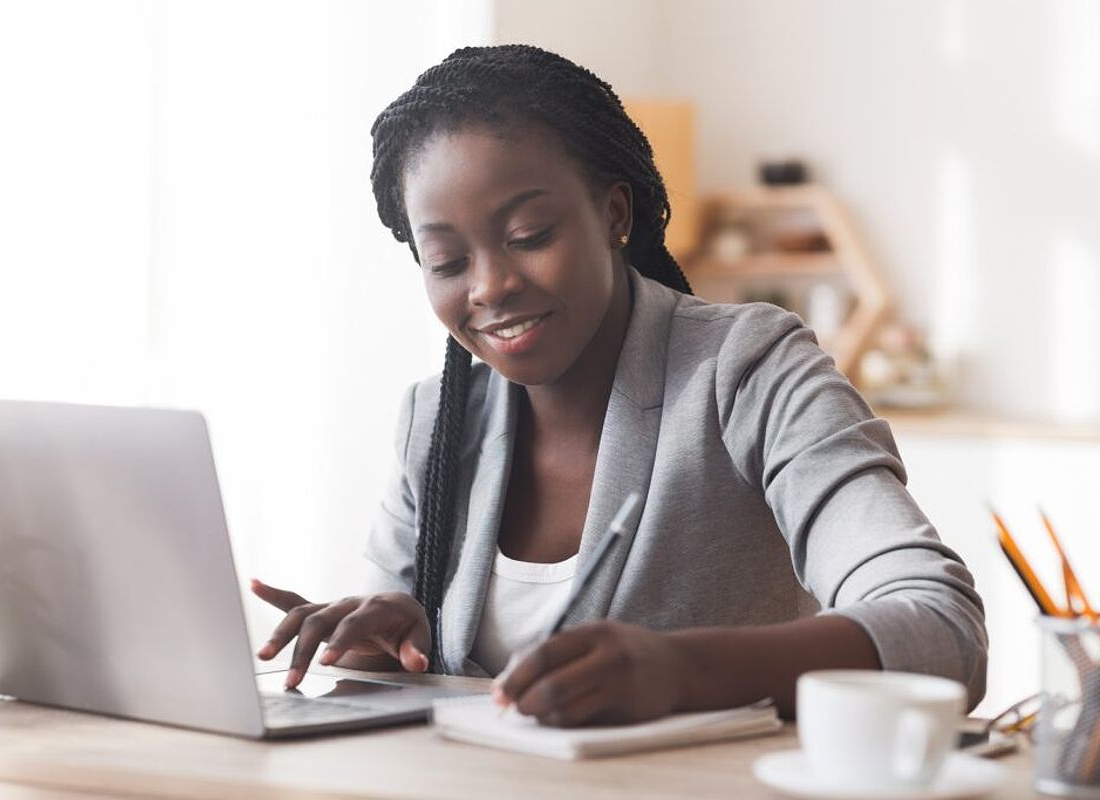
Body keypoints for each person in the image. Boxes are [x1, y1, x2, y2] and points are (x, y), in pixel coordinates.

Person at [252, 44, 987, 726]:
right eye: (446, 262)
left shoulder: (748, 369)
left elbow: (942, 629)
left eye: (530, 235)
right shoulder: (438, 420)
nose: (491, 287)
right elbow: (399, 682)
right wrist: (372, 649)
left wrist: (684, 672)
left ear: (614, 214)